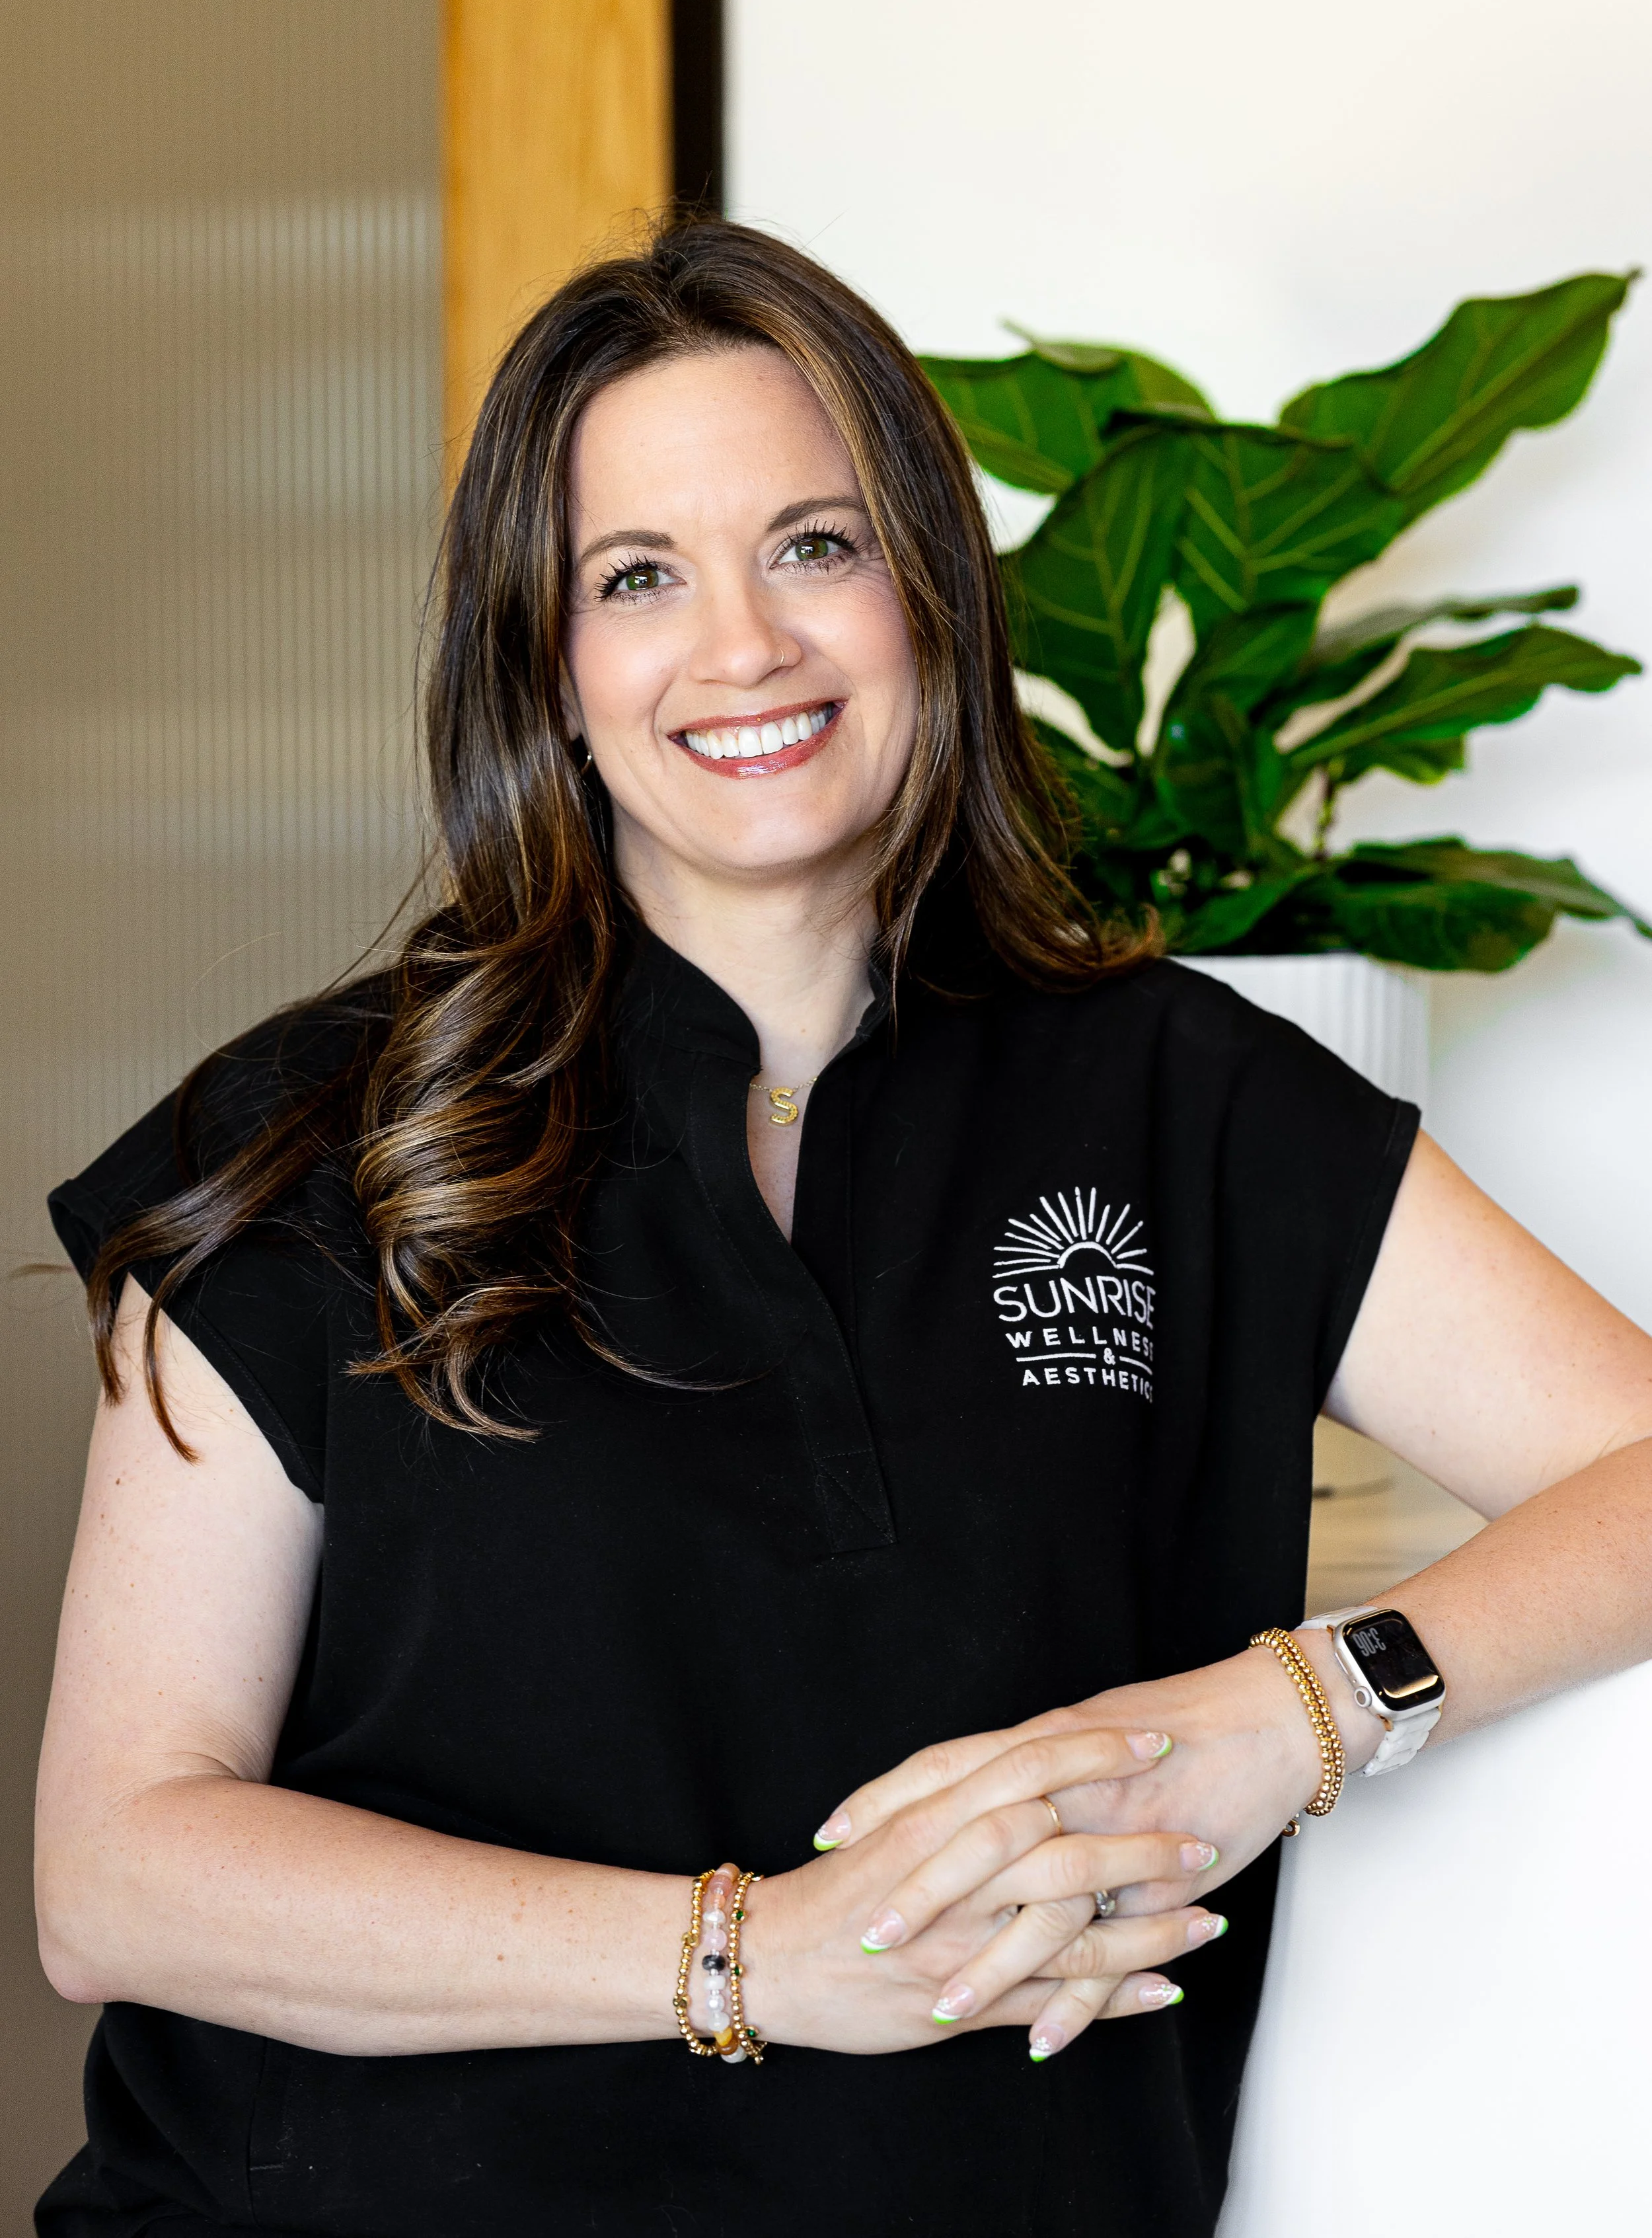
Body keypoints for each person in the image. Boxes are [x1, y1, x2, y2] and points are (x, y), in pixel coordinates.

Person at [32, 219, 1652, 2238]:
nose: (744, 649)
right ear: (548, 664)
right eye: (639, 578)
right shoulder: (313, 1140)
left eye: (814, 544)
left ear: (928, 593)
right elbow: (121, 1872)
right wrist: (748, 1961)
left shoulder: (1178, 1096)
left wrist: (1287, 1711)